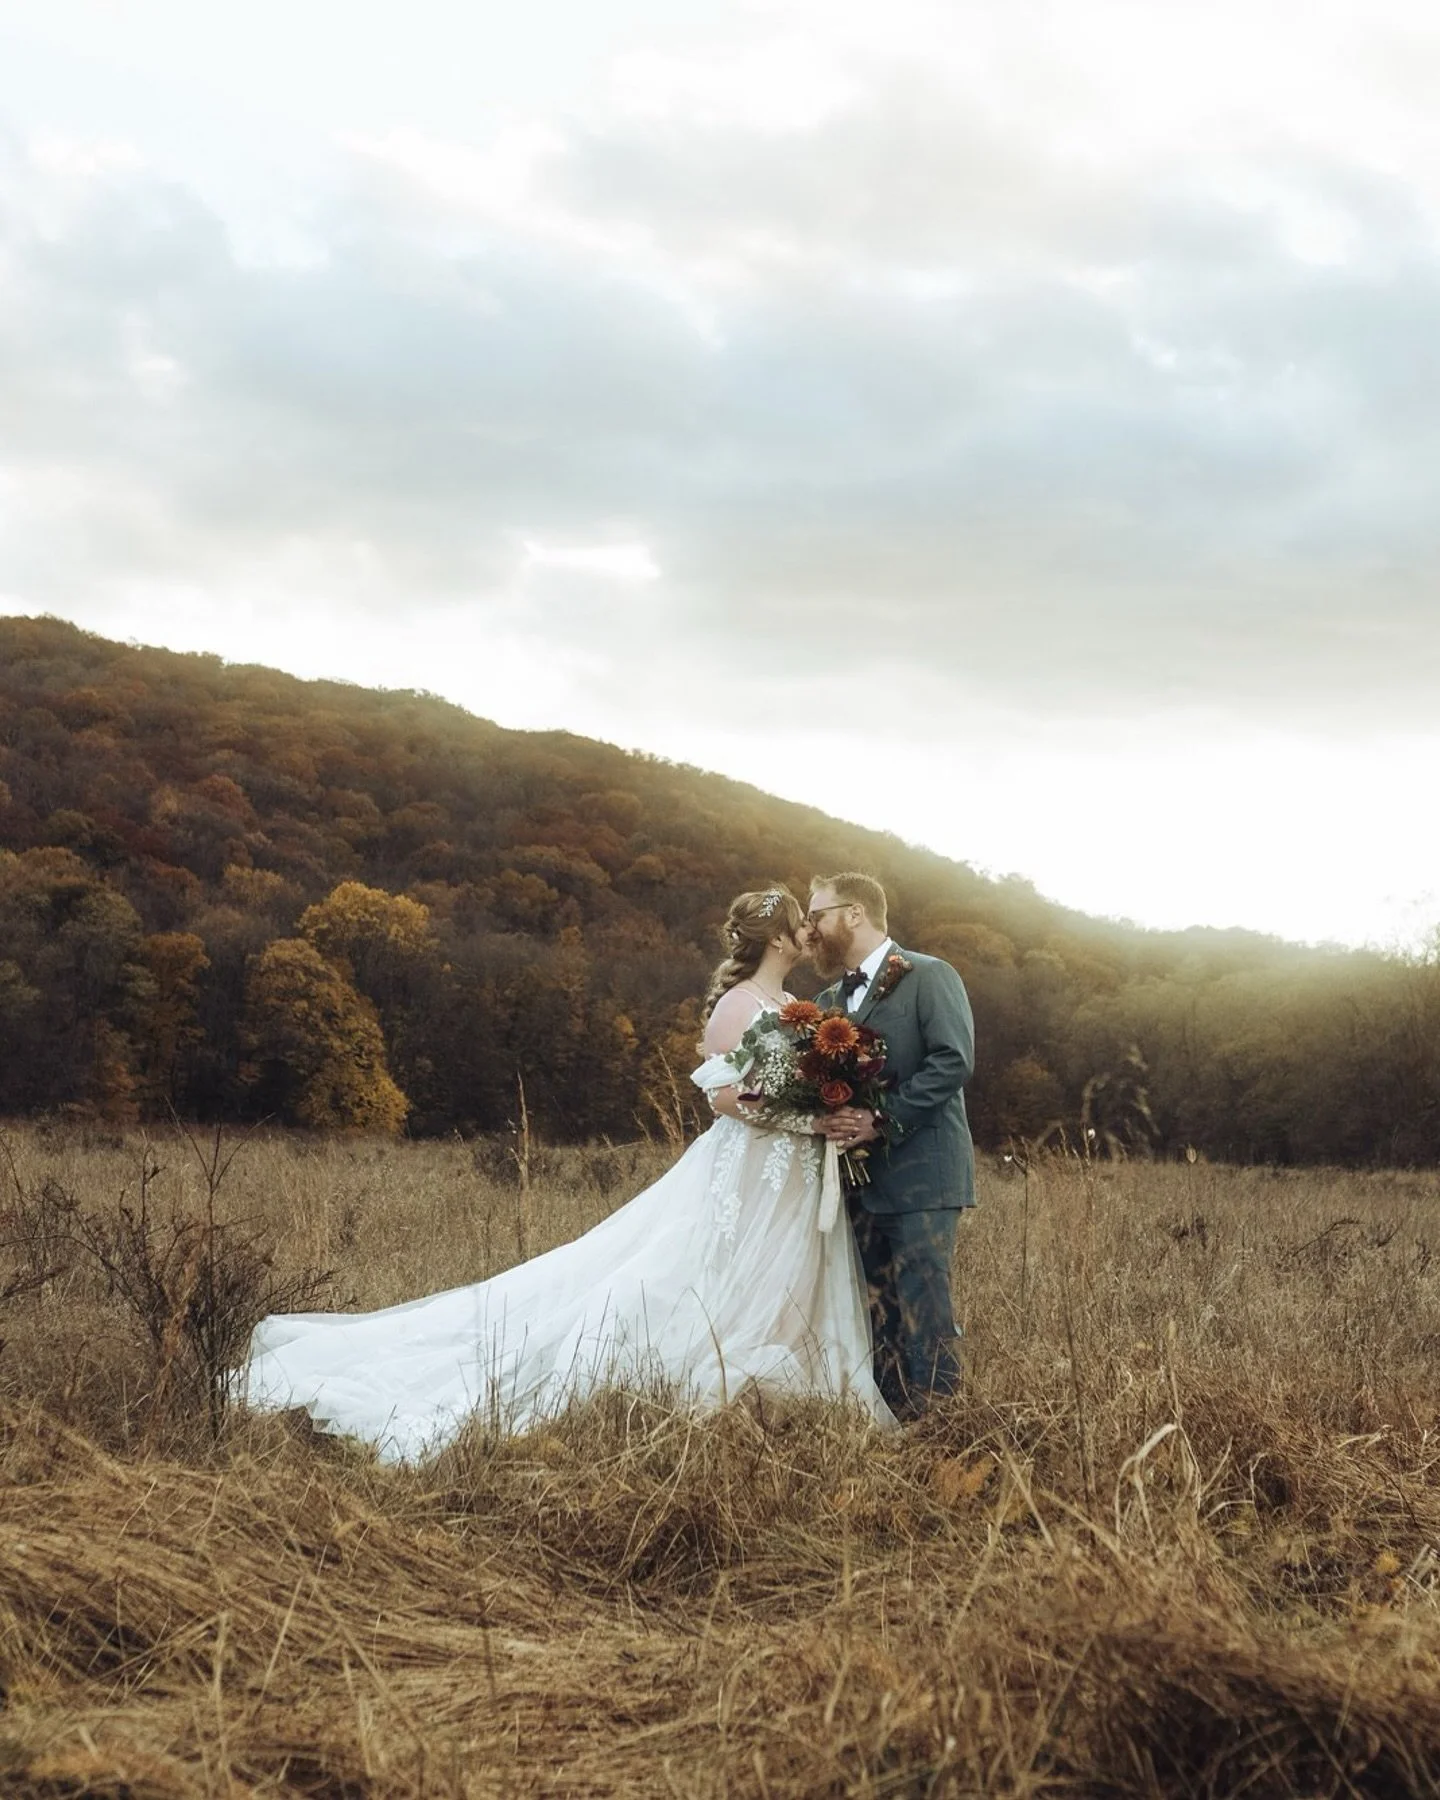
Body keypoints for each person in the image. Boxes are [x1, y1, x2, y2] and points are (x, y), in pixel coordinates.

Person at [242, 885, 894, 1461]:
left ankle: (779, 1392)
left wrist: (826, 1100)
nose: (808, 933)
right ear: (777, 937)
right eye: (799, 924)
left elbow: (791, 1078)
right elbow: (723, 1097)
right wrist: (802, 1118)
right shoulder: (737, 1005)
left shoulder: (794, 1002)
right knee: (697, 1269)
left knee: (775, 1272)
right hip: (745, 1164)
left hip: (788, 1172)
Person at [805, 872, 975, 1420]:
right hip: (857, 1183)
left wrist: (881, 1119)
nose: (810, 929)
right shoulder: (828, 1001)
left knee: (925, 1304)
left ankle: (941, 1423)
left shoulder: (930, 975)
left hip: (924, 1172)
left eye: (817, 915)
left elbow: (953, 1060)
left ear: (854, 913)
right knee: (874, 1308)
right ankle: (890, 1422)